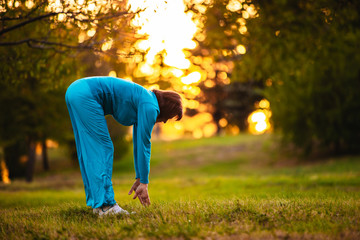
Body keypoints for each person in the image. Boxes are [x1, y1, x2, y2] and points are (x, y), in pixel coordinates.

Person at [65, 76, 182, 216]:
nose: (164, 122)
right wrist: (144, 182)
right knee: (103, 147)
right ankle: (106, 206)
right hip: (85, 94)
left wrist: (140, 178)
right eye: (169, 117)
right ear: (167, 110)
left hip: (76, 90)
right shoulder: (150, 106)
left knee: (91, 150)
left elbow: (139, 144)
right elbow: (145, 145)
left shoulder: (145, 100)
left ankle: (99, 206)